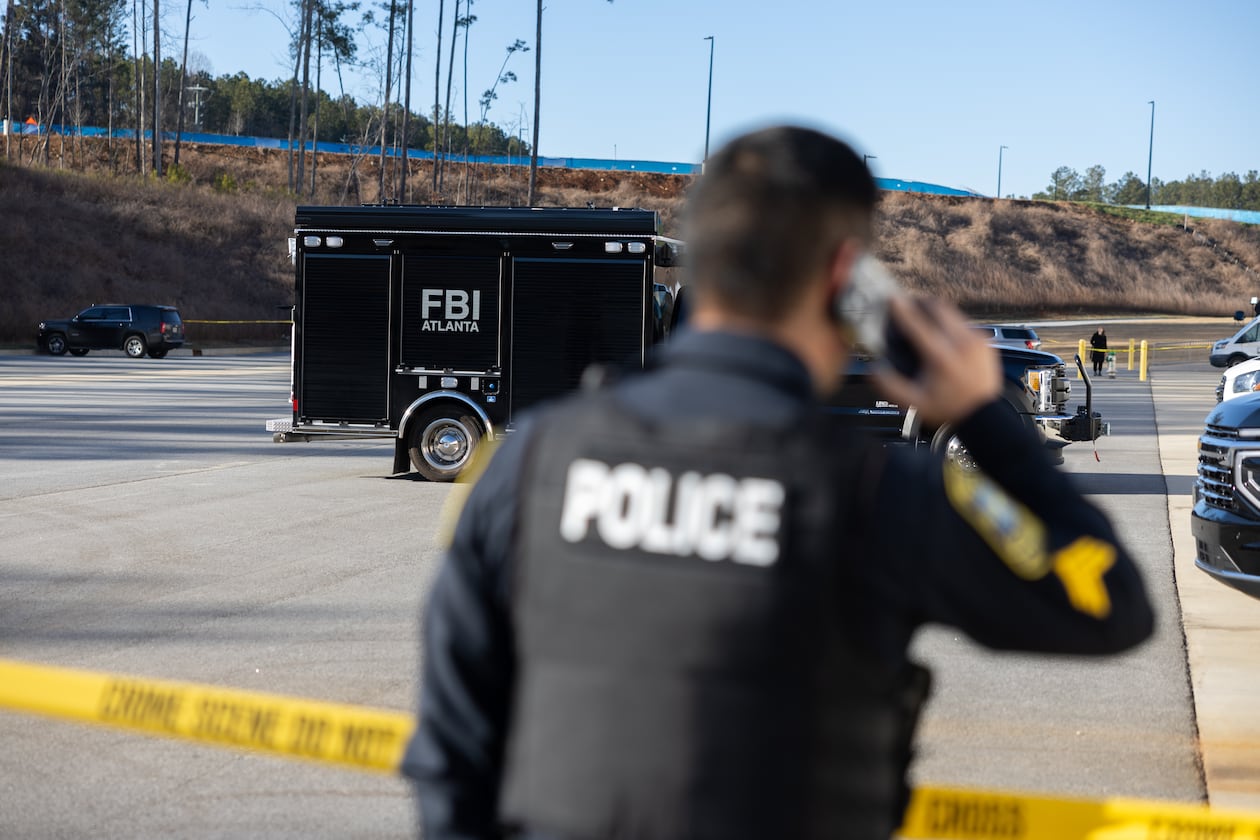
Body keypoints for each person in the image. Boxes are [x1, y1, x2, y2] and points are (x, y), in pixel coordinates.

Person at [401, 126, 1154, 840]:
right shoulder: (883, 493)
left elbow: (449, 753)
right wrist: (985, 419)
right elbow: (1107, 604)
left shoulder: (526, 464)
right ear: (846, 278)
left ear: (705, 259)